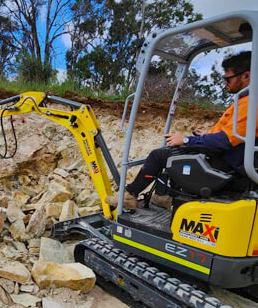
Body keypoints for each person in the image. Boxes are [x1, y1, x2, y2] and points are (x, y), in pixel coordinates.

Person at [106, 51, 255, 210]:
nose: (225, 82)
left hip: (225, 163)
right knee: (175, 151)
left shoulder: (251, 104)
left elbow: (224, 141)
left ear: (247, 76)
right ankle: (165, 196)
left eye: (228, 78)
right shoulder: (243, 102)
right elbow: (229, 133)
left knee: (160, 155)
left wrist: (186, 140)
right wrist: (203, 136)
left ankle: (129, 196)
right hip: (227, 157)